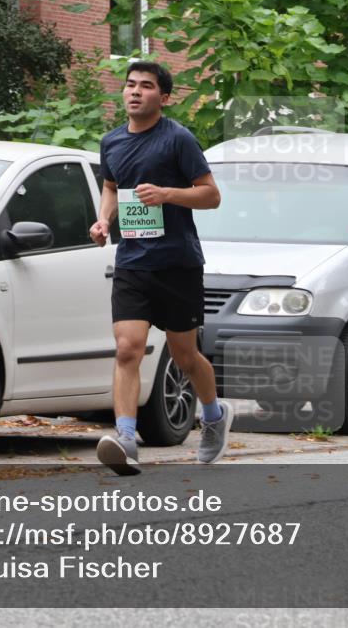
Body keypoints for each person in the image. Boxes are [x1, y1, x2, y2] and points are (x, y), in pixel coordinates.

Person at [89, 61, 233, 475]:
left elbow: (211, 195)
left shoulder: (178, 139)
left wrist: (168, 193)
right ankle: (127, 438)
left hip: (177, 263)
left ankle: (212, 416)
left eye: (146, 87)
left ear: (163, 97)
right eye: (130, 85)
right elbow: (112, 186)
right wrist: (104, 221)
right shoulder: (111, 142)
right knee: (127, 348)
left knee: (185, 356)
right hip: (133, 261)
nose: (135, 92)